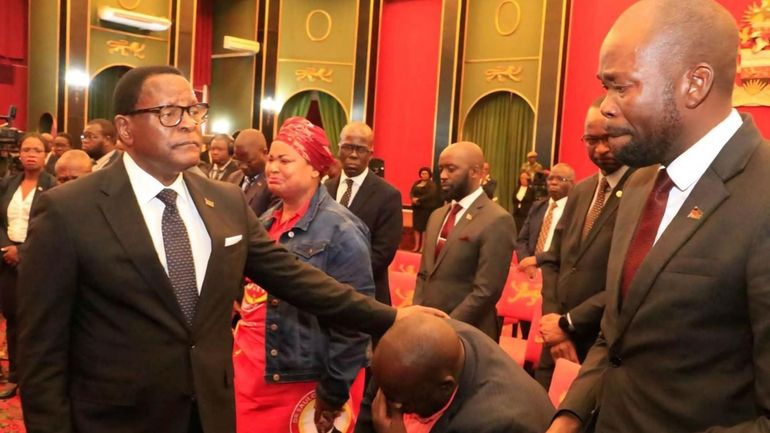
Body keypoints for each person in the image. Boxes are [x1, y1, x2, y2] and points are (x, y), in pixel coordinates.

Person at [16, 66, 442, 433]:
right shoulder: (69, 210)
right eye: (169, 113)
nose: (188, 124)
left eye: (193, 111)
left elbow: (294, 278)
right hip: (115, 420)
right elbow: (41, 352)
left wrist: (389, 316)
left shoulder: (223, 200)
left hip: (212, 414)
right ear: (125, 128)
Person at [546, 1, 770, 433]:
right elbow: (616, 335)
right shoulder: (639, 185)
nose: (606, 107)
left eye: (621, 88)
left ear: (695, 84)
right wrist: (571, 415)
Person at [234, 117, 374, 433]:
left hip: (303, 383)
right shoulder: (266, 221)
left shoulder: (342, 230)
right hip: (252, 376)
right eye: (271, 158)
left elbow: (354, 322)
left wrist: (334, 390)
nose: (272, 167)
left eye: (285, 160)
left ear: (315, 168)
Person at [533, 97, 633, 389]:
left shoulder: (647, 190)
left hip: (601, 343)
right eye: (591, 139)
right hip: (554, 342)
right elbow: (553, 258)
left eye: (609, 138)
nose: (601, 149)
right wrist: (554, 321)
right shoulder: (581, 190)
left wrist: (569, 323)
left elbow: (630, 279)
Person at [356, 315, 554, 433]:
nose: (394, 407)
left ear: (445, 387)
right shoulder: (408, 356)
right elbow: (375, 398)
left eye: (404, 403)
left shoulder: (493, 424)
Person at [414, 142, 516, 341]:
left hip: (469, 334)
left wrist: (447, 326)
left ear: (476, 172)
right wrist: (419, 315)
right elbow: (424, 273)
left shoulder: (497, 219)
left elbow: (486, 291)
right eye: (441, 168)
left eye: (451, 169)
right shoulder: (437, 215)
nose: (442, 175)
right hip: (428, 330)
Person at [0, 133, 56, 399]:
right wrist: (7, 248)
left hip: (39, 258)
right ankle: (14, 377)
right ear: (18, 154)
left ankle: (37, 377)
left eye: (36, 150)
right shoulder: (7, 183)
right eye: (26, 150)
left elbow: (52, 225)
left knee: (37, 320)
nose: (30, 154)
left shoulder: (54, 185)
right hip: (7, 259)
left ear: (45, 155)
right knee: (12, 319)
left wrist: (23, 250)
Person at [326, 122, 402, 305]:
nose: (353, 155)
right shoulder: (324, 189)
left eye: (360, 149)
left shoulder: (388, 195)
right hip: (324, 292)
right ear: (338, 149)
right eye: (348, 148)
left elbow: (383, 252)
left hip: (367, 295)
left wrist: (342, 279)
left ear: (370, 154)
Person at [515, 163, 574, 275]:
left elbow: (570, 247)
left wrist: (537, 259)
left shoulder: (576, 210)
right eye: (550, 178)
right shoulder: (537, 207)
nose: (553, 182)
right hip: (529, 272)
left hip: (558, 273)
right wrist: (527, 263)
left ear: (572, 184)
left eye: (561, 179)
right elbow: (522, 240)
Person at [227, 129, 275, 217]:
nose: (243, 166)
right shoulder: (233, 178)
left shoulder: (273, 182)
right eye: (238, 160)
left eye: (249, 161)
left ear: (265, 152)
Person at [409, 167, 442, 252]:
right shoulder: (417, 183)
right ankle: (416, 246)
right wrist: (413, 199)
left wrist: (419, 199)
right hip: (417, 208)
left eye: (425, 173)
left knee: (423, 228)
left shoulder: (432, 185)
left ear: (429, 175)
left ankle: (422, 247)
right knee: (416, 227)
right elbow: (411, 192)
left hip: (425, 208)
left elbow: (430, 195)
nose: (423, 175)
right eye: (422, 173)